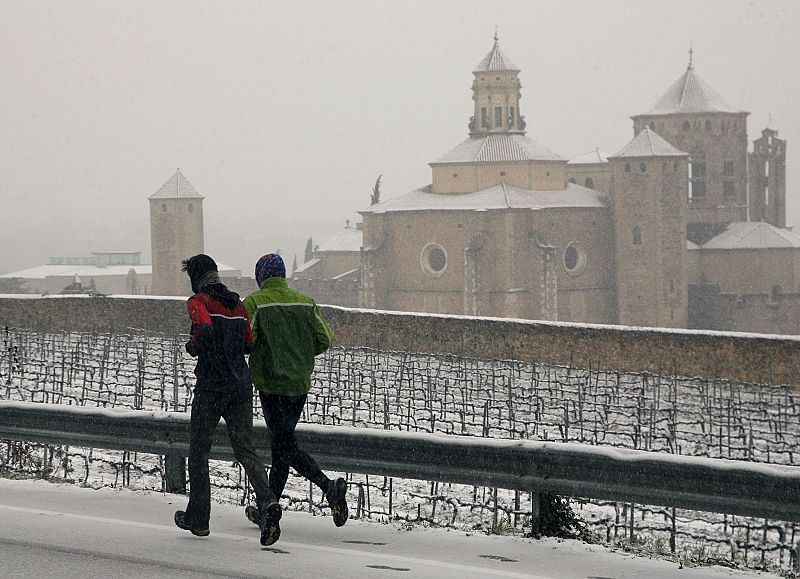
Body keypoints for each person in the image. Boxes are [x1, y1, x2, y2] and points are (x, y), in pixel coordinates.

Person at [174, 254, 282, 546]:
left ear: (196, 278)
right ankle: (269, 503)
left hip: (211, 386)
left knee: (199, 450)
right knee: (245, 449)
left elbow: (203, 335)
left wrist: (192, 346)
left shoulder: (199, 302)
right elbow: (248, 344)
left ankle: (199, 518)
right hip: (240, 386)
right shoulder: (237, 304)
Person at [242, 253, 348, 528]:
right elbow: (325, 338)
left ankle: (328, 488)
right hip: (298, 385)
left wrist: (268, 353)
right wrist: (301, 355)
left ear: (261, 276)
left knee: (284, 446)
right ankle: (269, 507)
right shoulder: (305, 302)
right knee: (282, 448)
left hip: (271, 385)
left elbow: (246, 341)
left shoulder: (255, 303)